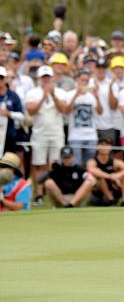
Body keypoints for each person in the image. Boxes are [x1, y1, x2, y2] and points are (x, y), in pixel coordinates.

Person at [25, 65, 67, 205]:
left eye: (48, 77)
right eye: (44, 77)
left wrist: (53, 95)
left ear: (52, 78)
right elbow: (31, 111)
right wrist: (44, 96)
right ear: (39, 78)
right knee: (39, 165)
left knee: (54, 164)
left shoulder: (60, 92)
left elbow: (64, 109)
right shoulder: (32, 93)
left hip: (56, 133)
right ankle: (40, 195)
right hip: (40, 133)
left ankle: (54, 193)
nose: (46, 80)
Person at [64, 69, 103, 166]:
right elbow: (66, 111)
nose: (84, 83)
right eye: (82, 80)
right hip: (75, 135)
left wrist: (97, 96)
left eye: (87, 81)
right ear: (77, 80)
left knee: (89, 163)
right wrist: (76, 95)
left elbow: (100, 112)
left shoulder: (92, 95)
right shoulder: (69, 94)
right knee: (75, 162)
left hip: (91, 135)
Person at [86, 137, 124, 206]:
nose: (104, 147)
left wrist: (119, 175)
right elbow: (91, 170)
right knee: (99, 176)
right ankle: (111, 200)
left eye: (107, 145)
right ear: (97, 147)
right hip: (98, 196)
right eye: (102, 144)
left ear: (111, 147)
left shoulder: (114, 161)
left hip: (113, 191)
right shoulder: (92, 161)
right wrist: (110, 176)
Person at [0, 66, 25, 156]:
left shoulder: (13, 95)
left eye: (1, 78)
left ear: (6, 79)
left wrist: (9, 113)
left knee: (9, 163)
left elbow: (22, 116)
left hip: (9, 135)